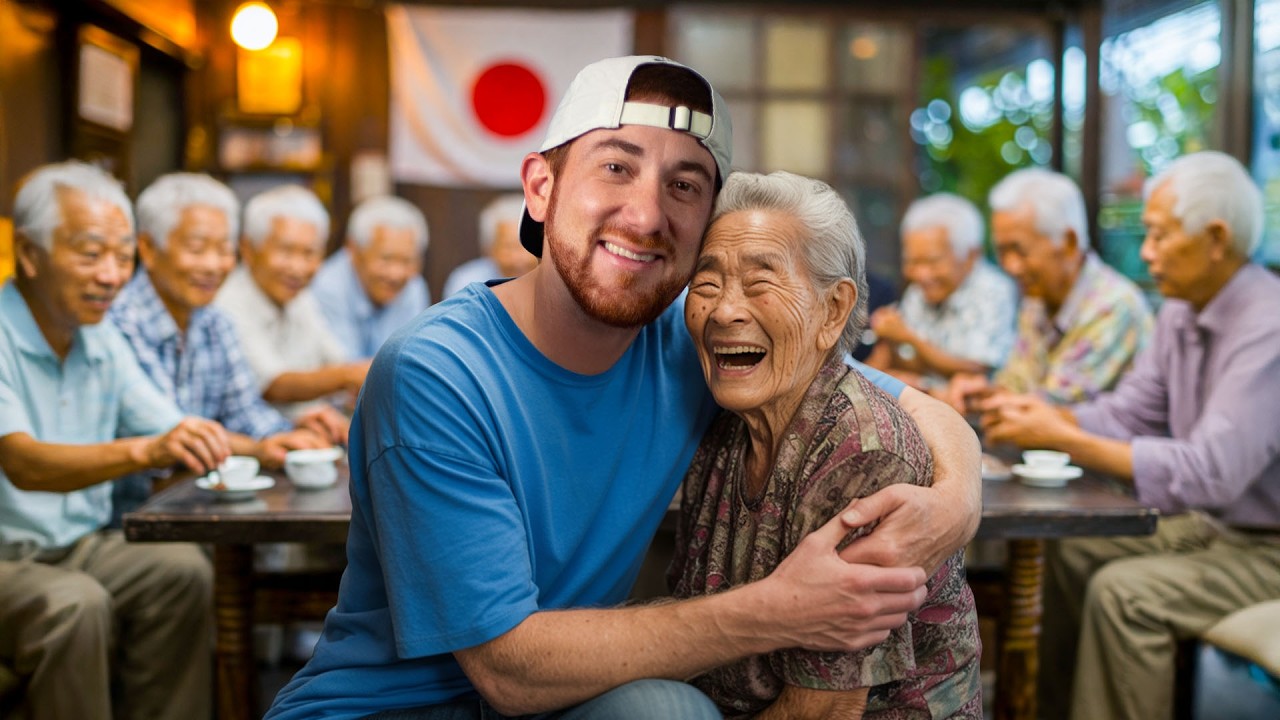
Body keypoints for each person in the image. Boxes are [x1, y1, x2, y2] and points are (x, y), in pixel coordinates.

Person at [268, 56, 981, 720]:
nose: (646, 215)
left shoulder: (694, 342)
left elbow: (890, 398)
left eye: (684, 186)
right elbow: (506, 669)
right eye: (616, 167)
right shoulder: (436, 371)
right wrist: (781, 607)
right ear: (541, 188)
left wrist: (955, 502)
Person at [979, 151, 1280, 720]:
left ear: (1217, 238)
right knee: (1069, 553)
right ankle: (1050, 710)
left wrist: (1062, 436)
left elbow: (1211, 472)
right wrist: (1047, 414)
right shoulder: (1179, 314)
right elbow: (1129, 413)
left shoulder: (1268, 326)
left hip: (1266, 549)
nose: (1145, 252)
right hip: (1213, 530)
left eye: (1160, 236)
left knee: (1125, 595)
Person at [671, 171, 981, 718]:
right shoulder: (725, 425)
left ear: (834, 310)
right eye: (707, 282)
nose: (723, 312)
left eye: (760, 283)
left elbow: (824, 712)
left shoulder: (863, 457)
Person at [0, 161, 229, 720]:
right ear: (29, 254)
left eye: (122, 256)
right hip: (7, 560)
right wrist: (144, 451)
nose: (111, 275)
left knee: (182, 571)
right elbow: (23, 462)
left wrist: (268, 448)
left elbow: (170, 427)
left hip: (78, 546)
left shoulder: (99, 337)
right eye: (90, 252)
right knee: (75, 605)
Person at [108, 172, 339, 522]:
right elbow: (168, 430)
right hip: (133, 517)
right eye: (198, 249)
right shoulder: (119, 320)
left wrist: (293, 436)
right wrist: (262, 449)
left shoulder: (215, 322)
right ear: (149, 249)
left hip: (197, 510)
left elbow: (247, 413)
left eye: (223, 250)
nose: (214, 265)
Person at [946, 168, 1153, 411]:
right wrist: (979, 392)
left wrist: (987, 401)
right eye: (1002, 252)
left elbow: (1057, 405)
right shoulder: (1037, 299)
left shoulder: (1114, 305)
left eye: (1019, 250)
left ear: (1068, 243)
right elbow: (1016, 384)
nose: (1011, 267)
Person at [215, 184, 370, 420]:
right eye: (285, 251)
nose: (298, 268)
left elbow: (335, 360)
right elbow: (272, 385)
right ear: (248, 249)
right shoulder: (227, 302)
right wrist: (348, 376)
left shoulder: (301, 298)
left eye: (309, 254)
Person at [866, 192, 1018, 390]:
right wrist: (892, 341)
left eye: (932, 262)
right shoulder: (918, 292)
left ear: (971, 256)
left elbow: (976, 369)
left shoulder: (994, 290)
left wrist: (908, 337)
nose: (921, 274)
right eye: (912, 261)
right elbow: (917, 365)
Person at [312, 195, 431, 360]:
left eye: (407, 260)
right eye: (386, 259)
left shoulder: (414, 285)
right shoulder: (326, 286)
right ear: (353, 250)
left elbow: (415, 356)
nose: (396, 274)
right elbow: (345, 369)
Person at [442, 192, 538, 298]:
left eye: (526, 246)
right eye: (509, 247)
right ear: (489, 250)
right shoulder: (466, 284)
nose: (520, 259)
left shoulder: (552, 281)